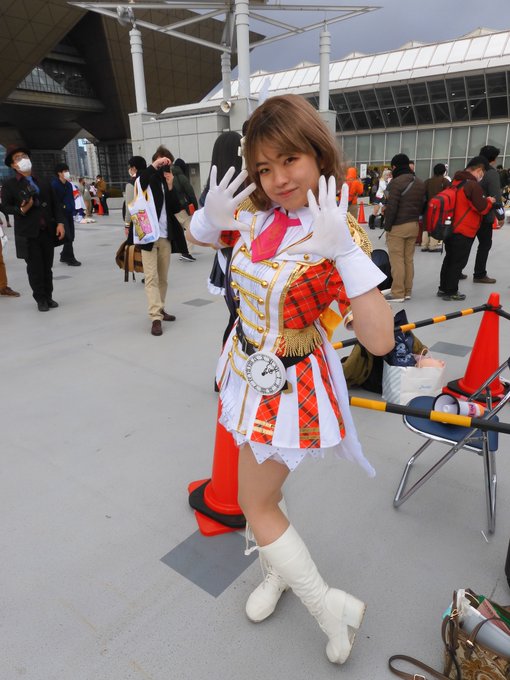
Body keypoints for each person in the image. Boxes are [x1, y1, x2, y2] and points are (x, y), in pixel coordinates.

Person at [190, 94, 394, 666]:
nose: (278, 179)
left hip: (290, 385)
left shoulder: (338, 228)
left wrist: (346, 254)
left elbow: (380, 341)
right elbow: (201, 240)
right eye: (264, 167)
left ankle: (330, 610)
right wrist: (209, 217)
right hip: (244, 371)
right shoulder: (257, 215)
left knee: (253, 501)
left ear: (318, 155)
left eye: (290, 160)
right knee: (266, 495)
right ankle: (277, 573)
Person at [1, 145, 65, 311]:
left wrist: (60, 223)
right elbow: (5, 207)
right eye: (17, 158)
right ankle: (40, 299)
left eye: (24, 156)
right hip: (28, 233)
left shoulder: (43, 180)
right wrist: (21, 209)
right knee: (35, 268)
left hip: (47, 231)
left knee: (47, 267)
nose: (22, 159)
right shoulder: (10, 184)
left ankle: (49, 296)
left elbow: (55, 203)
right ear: (13, 165)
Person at [137, 149, 189, 336]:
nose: (164, 166)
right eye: (161, 162)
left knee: (163, 278)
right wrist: (154, 166)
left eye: (167, 163)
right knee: (151, 278)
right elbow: (140, 182)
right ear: (154, 162)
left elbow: (174, 206)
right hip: (148, 237)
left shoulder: (166, 181)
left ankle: (160, 308)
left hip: (165, 237)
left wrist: (170, 185)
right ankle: (155, 318)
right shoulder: (146, 179)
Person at [438, 156, 495, 301]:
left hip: (450, 227)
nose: (482, 176)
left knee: (449, 259)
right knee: (458, 262)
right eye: (482, 173)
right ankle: (451, 291)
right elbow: (481, 208)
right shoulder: (472, 185)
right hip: (464, 229)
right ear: (479, 170)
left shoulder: (455, 182)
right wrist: (489, 201)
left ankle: (443, 288)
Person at [382, 153, 425, 302]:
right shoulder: (419, 182)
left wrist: (387, 227)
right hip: (414, 225)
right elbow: (423, 205)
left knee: (397, 260)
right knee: (408, 259)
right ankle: (407, 291)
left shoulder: (396, 183)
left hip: (398, 226)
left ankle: (398, 293)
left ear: (395, 167)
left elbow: (391, 207)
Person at [468, 145, 504, 284]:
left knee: (465, 244)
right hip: (484, 216)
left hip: (467, 215)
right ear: (493, 159)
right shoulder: (491, 173)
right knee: (484, 244)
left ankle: (456, 272)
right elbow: (496, 196)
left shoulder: (469, 170)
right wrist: (500, 216)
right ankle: (479, 274)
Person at [51, 163, 81, 266]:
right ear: (59, 173)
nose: (67, 173)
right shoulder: (54, 185)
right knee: (68, 236)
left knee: (71, 236)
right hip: (60, 214)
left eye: (67, 170)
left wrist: (73, 209)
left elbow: (71, 198)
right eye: (65, 171)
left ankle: (64, 255)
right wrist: (62, 208)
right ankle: (70, 258)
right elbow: (54, 201)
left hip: (69, 213)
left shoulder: (68, 185)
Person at [172, 157, 198, 261]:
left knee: (180, 231)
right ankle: (187, 253)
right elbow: (190, 193)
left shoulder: (169, 176)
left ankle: (183, 252)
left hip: (172, 209)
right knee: (191, 229)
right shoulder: (182, 178)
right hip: (182, 208)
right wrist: (195, 207)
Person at [421, 163, 451, 252]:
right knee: (436, 225)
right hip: (439, 208)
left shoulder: (427, 181)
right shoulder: (445, 181)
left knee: (426, 225)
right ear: (444, 171)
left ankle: (424, 244)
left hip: (428, 207)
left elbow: (422, 195)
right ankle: (432, 245)